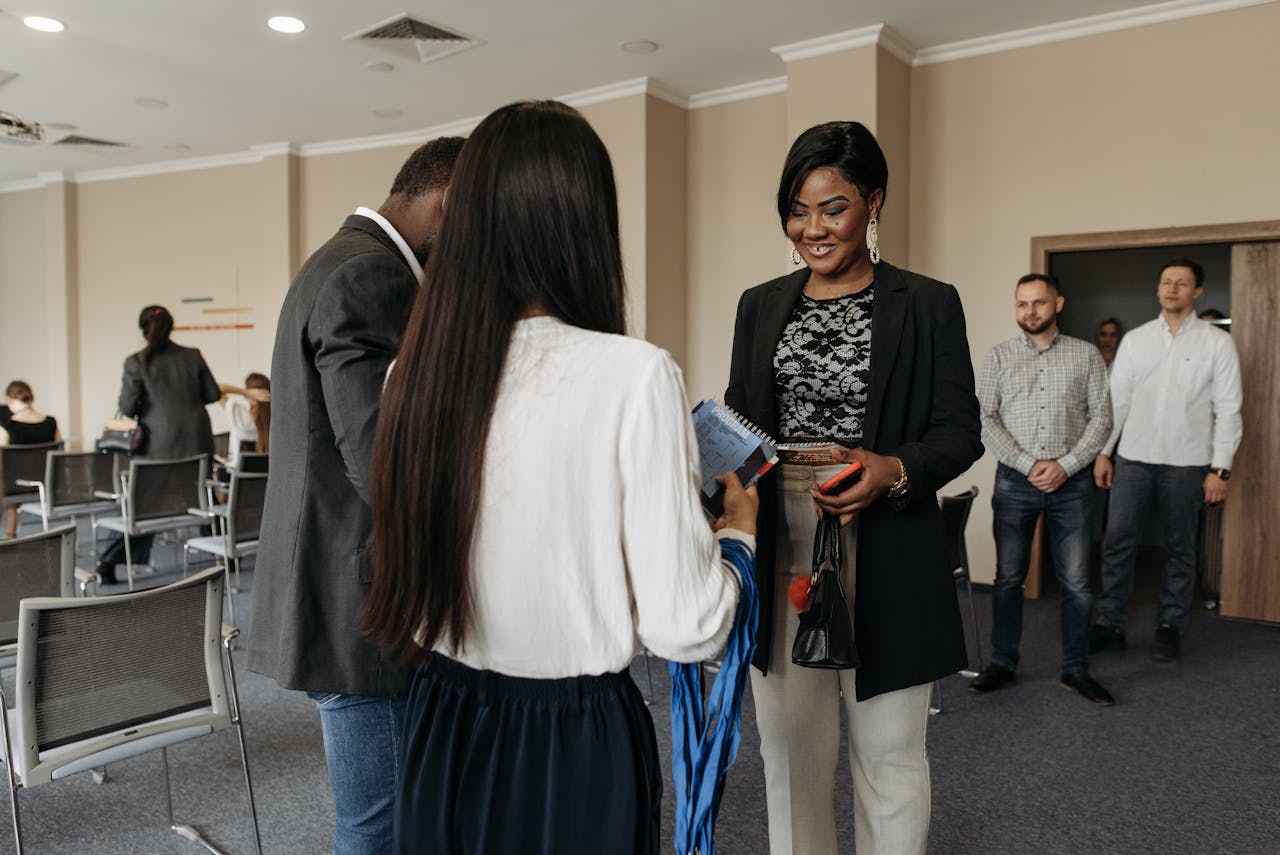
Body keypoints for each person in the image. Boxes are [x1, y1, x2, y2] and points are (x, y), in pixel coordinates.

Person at [362, 100, 754, 855]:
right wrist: (738, 537)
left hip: (440, 717)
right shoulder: (634, 375)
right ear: (587, 222)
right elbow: (687, 626)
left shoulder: (412, 374)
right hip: (573, 740)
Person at [725, 121, 982, 855]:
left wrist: (891, 469)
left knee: (892, 756)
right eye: (797, 210)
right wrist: (719, 482)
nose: (812, 228)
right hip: (781, 538)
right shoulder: (759, 304)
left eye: (832, 208)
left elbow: (960, 430)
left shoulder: (927, 302)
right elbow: (743, 420)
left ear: (874, 203)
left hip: (888, 539)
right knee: (791, 753)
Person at [247, 135, 465, 855]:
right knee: (382, 828)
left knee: (386, 819)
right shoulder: (372, 277)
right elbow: (383, 459)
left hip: (335, 592)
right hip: (363, 608)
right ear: (447, 203)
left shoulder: (335, 261)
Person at [969, 275, 1114, 704]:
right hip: (1016, 481)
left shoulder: (1086, 356)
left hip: (1073, 483)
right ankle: (1003, 663)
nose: (1029, 311)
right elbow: (984, 418)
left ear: (1058, 304)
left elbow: (1101, 420)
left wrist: (1065, 466)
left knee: (1077, 582)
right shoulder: (998, 356)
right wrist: (1030, 464)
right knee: (1008, 579)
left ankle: (1075, 669)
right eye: (1022, 304)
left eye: (1038, 303)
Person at [1092, 258, 1242, 662]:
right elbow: (1115, 402)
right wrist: (1103, 452)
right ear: (1158, 289)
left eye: (1182, 283)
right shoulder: (1137, 340)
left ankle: (1169, 627)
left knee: (1180, 547)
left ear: (1196, 292)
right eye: (1166, 282)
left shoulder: (1216, 343)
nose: (1172, 288)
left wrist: (1219, 468)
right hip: (1133, 460)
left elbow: (1229, 410)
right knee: (1119, 542)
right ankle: (1110, 624)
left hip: (1187, 463)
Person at [96, 305, 220, 583]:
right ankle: (223, 553)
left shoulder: (136, 361)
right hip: (197, 443)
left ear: (143, 329)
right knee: (204, 495)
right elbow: (212, 394)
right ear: (171, 327)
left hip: (157, 446)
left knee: (145, 504)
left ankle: (109, 562)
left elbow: (127, 409)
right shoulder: (192, 355)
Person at [2, 380, 62, 538]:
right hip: (48, 484)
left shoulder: (7, 428)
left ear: (9, 400)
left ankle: (10, 534)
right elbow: (60, 455)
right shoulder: (51, 423)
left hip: (15, 488)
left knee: (7, 479)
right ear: (32, 397)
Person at [217, 372, 270, 466]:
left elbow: (216, 389)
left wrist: (245, 392)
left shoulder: (241, 415)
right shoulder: (274, 419)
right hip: (264, 477)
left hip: (236, 476)